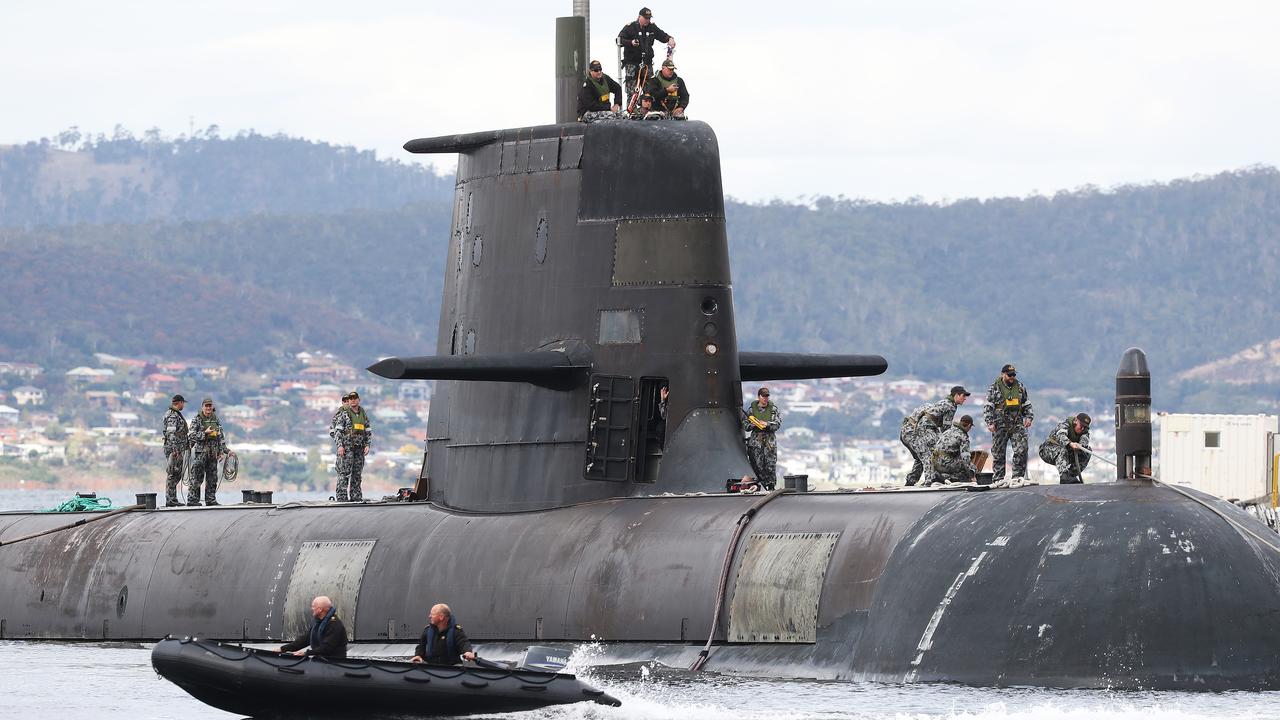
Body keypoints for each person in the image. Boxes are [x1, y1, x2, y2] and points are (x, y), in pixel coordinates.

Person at [900, 386, 970, 486]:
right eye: (963, 396)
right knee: (931, 454)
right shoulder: (951, 406)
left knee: (922, 454)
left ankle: (912, 480)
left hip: (924, 428)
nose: (965, 398)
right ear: (956, 395)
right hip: (926, 428)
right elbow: (946, 428)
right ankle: (931, 480)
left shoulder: (944, 402)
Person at [983, 364, 1034, 483]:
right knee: (998, 452)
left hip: (1017, 423)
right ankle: (999, 479)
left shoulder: (1020, 387)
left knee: (1021, 450)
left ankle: (1017, 477)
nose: (1012, 377)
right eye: (1009, 375)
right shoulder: (994, 388)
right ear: (1003, 374)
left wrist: (1029, 417)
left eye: (1014, 375)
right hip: (1000, 423)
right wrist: (989, 422)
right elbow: (988, 406)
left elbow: (1026, 403)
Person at [617, 7, 676, 108]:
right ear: (639, 17)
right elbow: (619, 40)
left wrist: (669, 39)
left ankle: (648, 111)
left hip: (647, 65)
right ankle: (632, 112)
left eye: (649, 18)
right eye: (645, 18)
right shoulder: (630, 27)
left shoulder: (652, 27)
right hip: (632, 64)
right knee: (632, 91)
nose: (648, 20)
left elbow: (662, 35)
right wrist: (630, 43)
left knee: (649, 91)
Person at [186, 397, 227, 506]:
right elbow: (191, 435)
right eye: (206, 406)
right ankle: (193, 500)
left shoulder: (216, 419)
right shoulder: (197, 419)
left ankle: (210, 499)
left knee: (212, 477)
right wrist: (205, 433)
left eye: (210, 406)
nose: (208, 408)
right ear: (202, 407)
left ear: (212, 407)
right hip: (201, 453)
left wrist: (222, 451)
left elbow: (220, 436)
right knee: (197, 477)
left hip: (213, 453)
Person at [332, 390, 372, 502]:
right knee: (344, 473)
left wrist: (367, 445)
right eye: (350, 399)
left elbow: (368, 431)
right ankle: (342, 497)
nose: (353, 400)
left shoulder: (363, 415)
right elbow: (338, 432)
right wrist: (340, 446)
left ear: (359, 400)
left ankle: (356, 496)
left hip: (359, 449)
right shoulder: (344, 414)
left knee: (357, 474)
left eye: (355, 398)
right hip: (347, 449)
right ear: (348, 401)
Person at [281, 595, 348, 658]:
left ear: (320, 609)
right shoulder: (318, 623)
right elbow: (304, 640)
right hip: (322, 660)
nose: (312, 609)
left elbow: (327, 647)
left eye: (313, 606)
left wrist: (306, 653)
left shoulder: (334, 624)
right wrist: (283, 649)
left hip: (334, 663)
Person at [742, 387, 783, 490]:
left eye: (767, 396)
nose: (765, 398)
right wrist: (754, 424)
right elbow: (745, 426)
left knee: (770, 465)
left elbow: (777, 424)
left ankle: (771, 485)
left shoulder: (773, 409)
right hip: (756, 442)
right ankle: (759, 485)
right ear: (759, 397)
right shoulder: (751, 410)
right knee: (757, 465)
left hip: (769, 442)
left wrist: (767, 424)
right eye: (763, 396)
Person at [411, 603, 476, 665]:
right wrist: (418, 655)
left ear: (441, 617)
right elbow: (421, 646)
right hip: (431, 666)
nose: (429, 616)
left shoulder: (456, 631)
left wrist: (468, 652)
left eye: (432, 614)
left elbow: (464, 642)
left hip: (451, 666)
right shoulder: (427, 630)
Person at [1039, 413, 1092, 484]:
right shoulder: (1065, 425)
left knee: (1087, 451)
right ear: (1076, 421)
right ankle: (1064, 476)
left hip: (1065, 454)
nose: (1082, 429)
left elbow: (1085, 440)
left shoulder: (1084, 431)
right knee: (1063, 448)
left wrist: (1080, 445)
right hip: (1047, 450)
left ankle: (1071, 475)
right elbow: (1061, 435)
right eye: (1081, 426)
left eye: (1085, 427)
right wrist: (1070, 443)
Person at [930, 415, 978, 485]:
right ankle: (958, 481)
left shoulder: (949, 431)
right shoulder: (963, 437)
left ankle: (944, 477)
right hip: (945, 464)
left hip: (935, 463)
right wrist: (972, 474)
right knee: (969, 466)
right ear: (969, 425)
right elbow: (965, 459)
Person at [161, 394, 188, 507]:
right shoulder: (172, 415)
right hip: (174, 449)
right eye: (183, 403)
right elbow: (171, 433)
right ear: (180, 402)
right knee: (173, 473)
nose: (183, 405)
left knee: (177, 473)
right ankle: (170, 500)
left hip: (178, 448)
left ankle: (173, 498)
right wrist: (175, 449)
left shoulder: (176, 414)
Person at [329, 392, 352, 496]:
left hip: (353, 448)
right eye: (346, 401)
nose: (348, 403)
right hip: (343, 448)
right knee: (342, 472)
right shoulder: (339, 415)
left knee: (353, 473)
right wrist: (341, 443)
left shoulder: (355, 414)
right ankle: (341, 496)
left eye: (349, 401)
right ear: (343, 402)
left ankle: (354, 496)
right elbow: (333, 432)